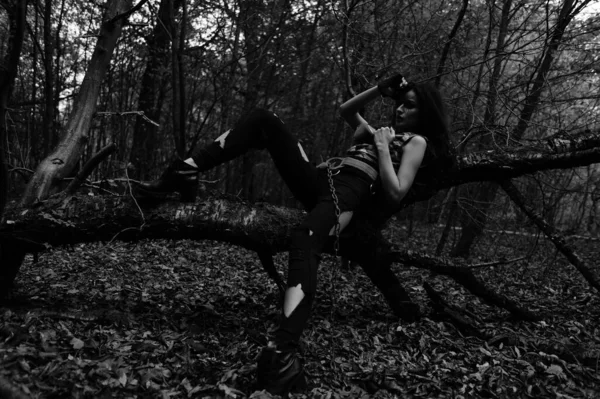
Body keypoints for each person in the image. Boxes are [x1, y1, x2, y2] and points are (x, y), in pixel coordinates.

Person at [136, 74, 452, 396]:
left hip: (350, 192)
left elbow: (397, 191)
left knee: (306, 238)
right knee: (264, 118)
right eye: (399, 104)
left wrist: (383, 147)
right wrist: (379, 90)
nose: (400, 110)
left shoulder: (415, 142)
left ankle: (283, 352)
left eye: (409, 106)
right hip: (320, 178)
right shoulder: (375, 131)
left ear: (424, 112)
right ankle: (187, 169)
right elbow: (345, 109)